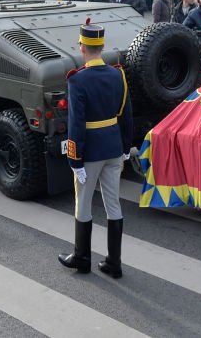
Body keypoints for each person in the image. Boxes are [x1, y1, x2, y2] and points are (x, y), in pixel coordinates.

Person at [59, 23, 133, 278]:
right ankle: (114, 263)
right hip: (113, 146)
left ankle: (81, 257)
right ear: (100, 47)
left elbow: (76, 122)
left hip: (90, 150)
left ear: (82, 47)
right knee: (113, 204)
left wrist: (74, 157)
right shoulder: (118, 74)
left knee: (83, 204)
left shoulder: (77, 79)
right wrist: (124, 147)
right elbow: (126, 114)